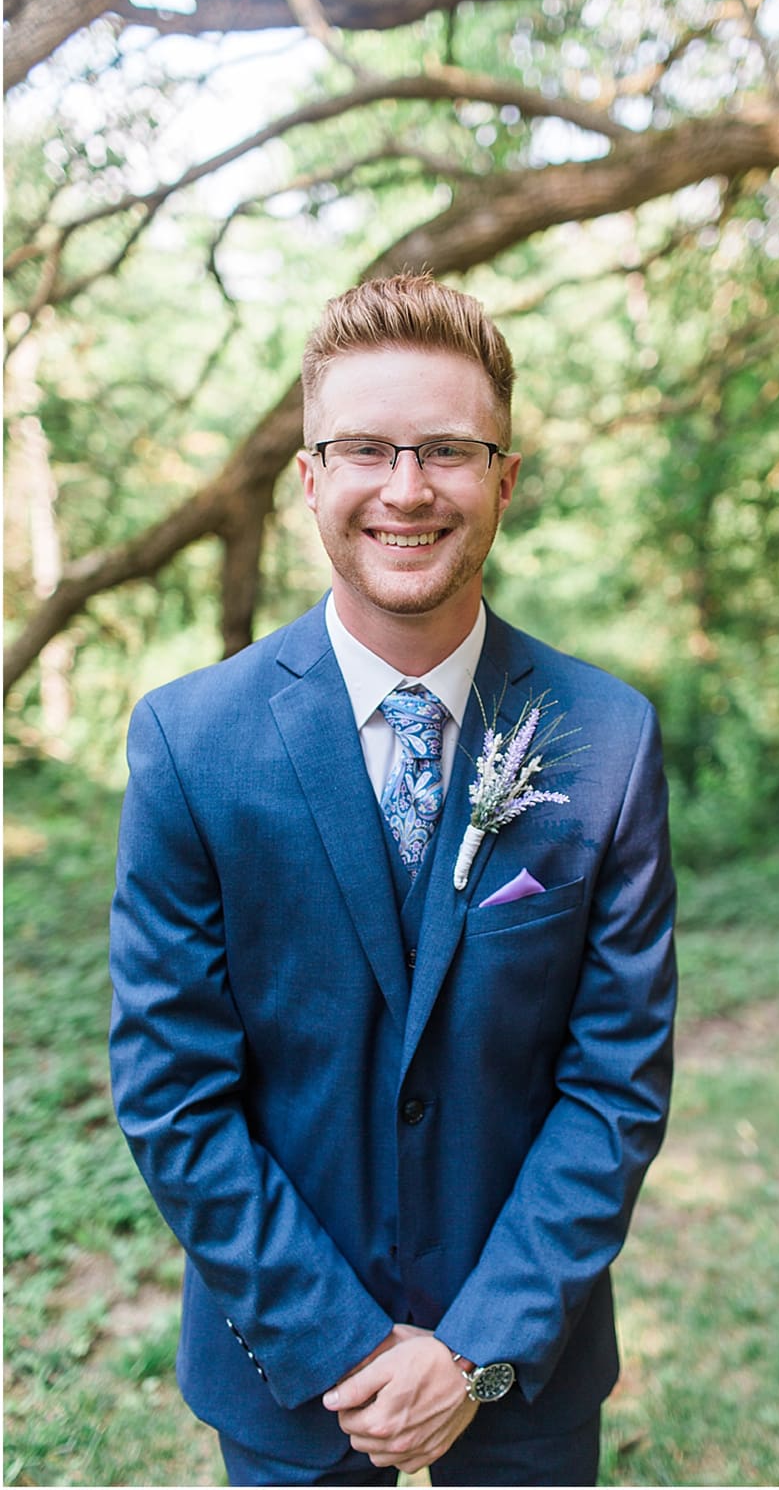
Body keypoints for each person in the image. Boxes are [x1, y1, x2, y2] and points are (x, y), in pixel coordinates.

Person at [109, 274, 678, 1485]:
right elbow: (173, 1093)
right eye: (364, 447)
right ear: (311, 476)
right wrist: (345, 1339)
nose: (407, 487)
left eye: (448, 450)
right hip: (286, 1363)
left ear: (505, 477)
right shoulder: (189, 741)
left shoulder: (607, 736)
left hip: (525, 1363)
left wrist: (472, 1346)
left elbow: (616, 1081)